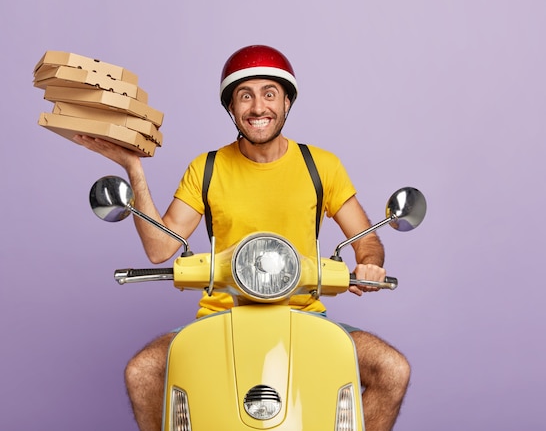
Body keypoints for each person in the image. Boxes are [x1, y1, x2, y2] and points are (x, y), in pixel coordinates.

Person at [74, 45, 411, 431]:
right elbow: (160, 247)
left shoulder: (322, 166)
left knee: (392, 369)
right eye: (245, 96)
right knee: (142, 371)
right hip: (220, 315)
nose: (258, 107)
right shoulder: (207, 167)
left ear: (287, 102)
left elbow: (366, 239)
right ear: (231, 109)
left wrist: (371, 262)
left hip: (305, 316)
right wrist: (134, 168)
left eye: (269, 93)